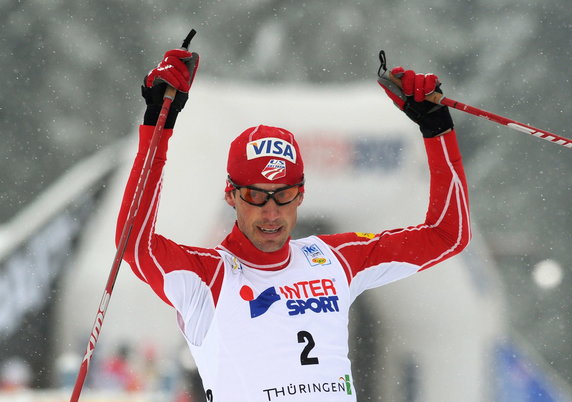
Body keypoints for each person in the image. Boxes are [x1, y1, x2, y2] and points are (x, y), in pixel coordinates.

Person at [117, 47, 471, 401]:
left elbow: (447, 235)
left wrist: (435, 126)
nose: (271, 213)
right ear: (231, 196)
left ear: (301, 195)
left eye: (283, 195)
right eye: (256, 196)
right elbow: (133, 244)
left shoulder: (335, 259)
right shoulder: (207, 278)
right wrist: (157, 123)